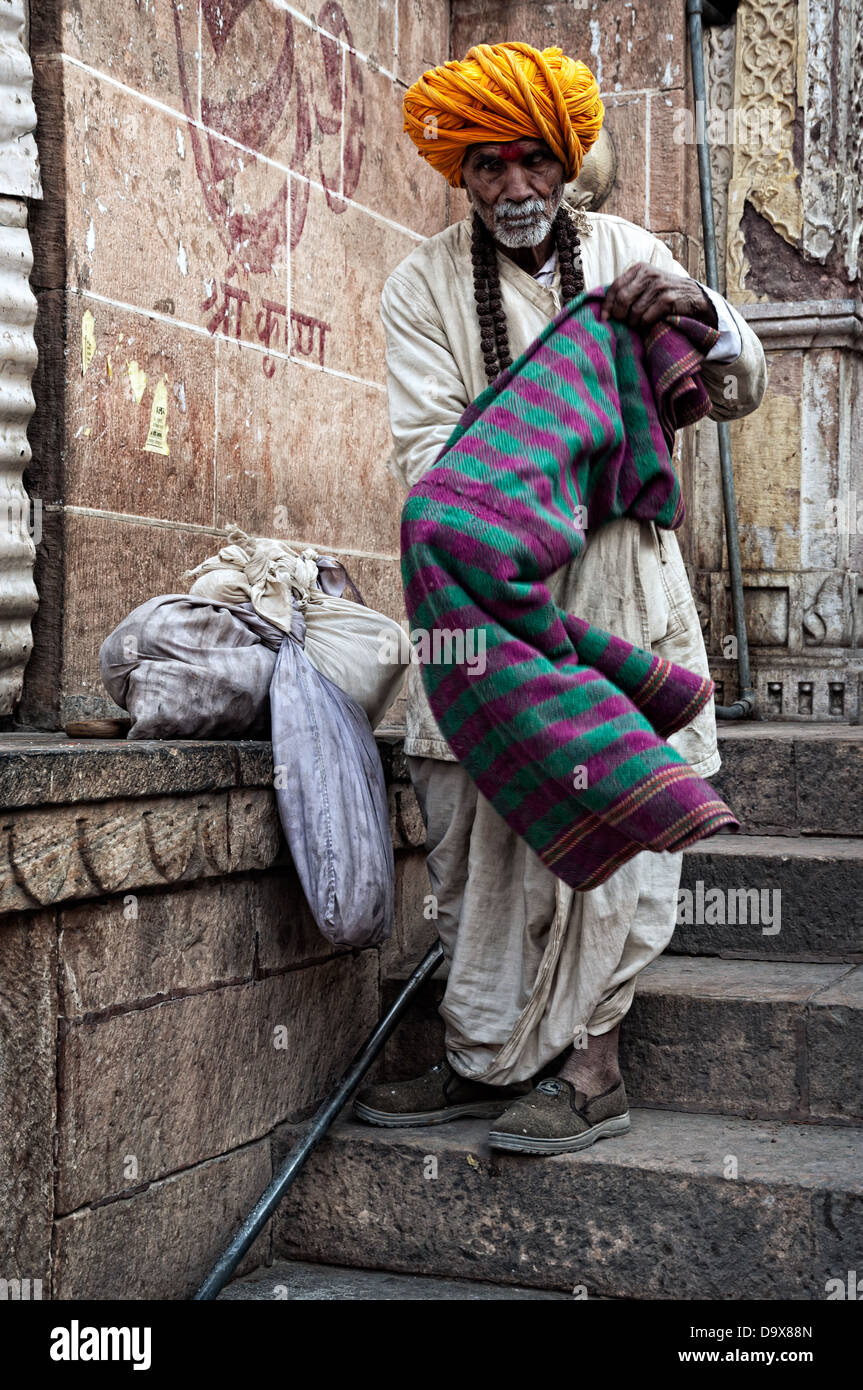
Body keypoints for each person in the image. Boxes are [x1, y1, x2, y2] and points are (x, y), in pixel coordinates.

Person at [355, 41, 766, 1155]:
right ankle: (482, 1054)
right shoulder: (420, 287)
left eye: (531, 162)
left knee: (621, 819)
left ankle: (591, 1066)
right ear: (460, 176)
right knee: (473, 827)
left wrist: (695, 305)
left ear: (564, 160)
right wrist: (544, 450)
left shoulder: (629, 253)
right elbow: (429, 455)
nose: (513, 190)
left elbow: (737, 384)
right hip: (486, 596)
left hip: (624, 581)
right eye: (486, 168)